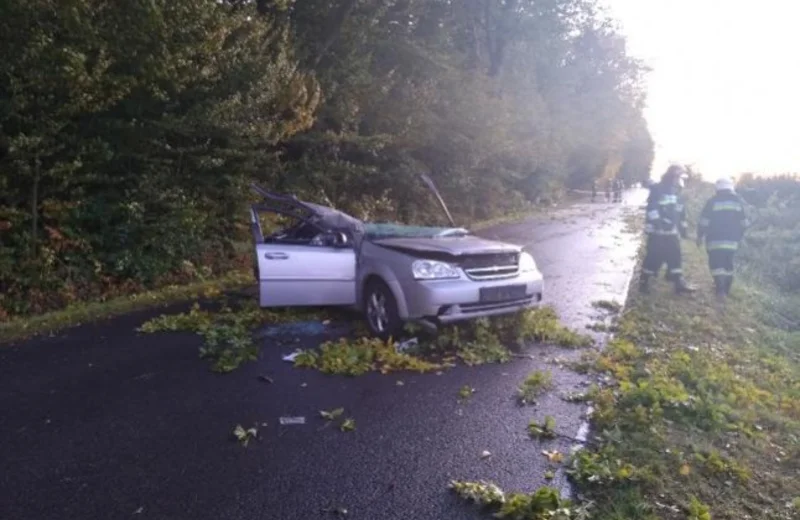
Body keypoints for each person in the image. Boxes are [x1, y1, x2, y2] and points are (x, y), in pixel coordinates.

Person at [639, 165, 695, 294]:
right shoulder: (659, 189)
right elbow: (652, 208)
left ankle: (678, 283)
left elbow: (681, 214)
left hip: (672, 233)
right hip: (658, 233)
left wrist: (683, 230)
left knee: (675, 256)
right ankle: (644, 282)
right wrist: (658, 223)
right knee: (654, 257)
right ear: (673, 176)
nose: (680, 180)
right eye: (679, 177)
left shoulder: (677, 192)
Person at [696, 178, 748, 298]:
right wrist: (739, 236)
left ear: (718, 188)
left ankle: (720, 289)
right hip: (732, 241)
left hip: (715, 240)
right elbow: (744, 223)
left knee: (716, 264)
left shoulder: (712, 201)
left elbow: (704, 222)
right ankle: (726, 289)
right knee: (728, 264)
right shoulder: (737, 201)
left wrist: (699, 236)